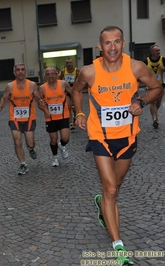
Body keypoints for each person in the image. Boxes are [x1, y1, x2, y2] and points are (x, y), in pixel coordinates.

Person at [72, 26, 163, 265]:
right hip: (99, 137)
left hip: (128, 137)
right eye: (107, 43)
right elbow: (75, 90)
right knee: (111, 188)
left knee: (117, 184)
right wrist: (80, 112)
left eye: (117, 42)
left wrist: (142, 101)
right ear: (100, 46)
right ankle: (118, 246)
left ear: (123, 43)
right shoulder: (89, 72)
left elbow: (157, 88)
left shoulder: (136, 67)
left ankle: (102, 204)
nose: (112, 47)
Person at [0, 63, 41, 175]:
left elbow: (38, 98)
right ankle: (23, 164)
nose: (20, 72)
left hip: (29, 118)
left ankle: (31, 149)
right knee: (17, 142)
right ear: (14, 73)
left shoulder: (32, 85)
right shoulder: (10, 86)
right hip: (15, 118)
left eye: (22, 70)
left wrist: (44, 106)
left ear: (25, 72)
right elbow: (4, 98)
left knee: (30, 143)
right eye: (18, 70)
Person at [38, 67, 72, 167]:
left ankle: (61, 145)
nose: (51, 76)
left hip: (63, 115)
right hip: (50, 118)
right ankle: (55, 157)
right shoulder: (42, 88)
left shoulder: (63, 84)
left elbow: (73, 92)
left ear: (57, 74)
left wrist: (73, 104)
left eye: (53, 74)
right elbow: (39, 103)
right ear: (45, 76)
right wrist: (44, 110)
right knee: (53, 139)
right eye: (48, 74)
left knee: (65, 138)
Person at [144, 44, 165, 129]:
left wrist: (163, 68)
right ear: (152, 52)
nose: (158, 52)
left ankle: (155, 114)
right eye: (156, 51)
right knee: (152, 102)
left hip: (161, 84)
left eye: (159, 50)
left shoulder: (162, 59)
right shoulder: (147, 61)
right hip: (151, 85)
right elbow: (142, 72)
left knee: (158, 103)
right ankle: (155, 120)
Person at [58, 58, 79, 130]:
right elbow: (58, 79)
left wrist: (75, 83)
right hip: (67, 92)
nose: (69, 64)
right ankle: (70, 123)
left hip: (75, 91)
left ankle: (75, 119)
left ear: (73, 63)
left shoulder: (77, 70)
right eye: (67, 63)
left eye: (70, 62)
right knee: (68, 107)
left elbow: (81, 80)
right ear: (65, 64)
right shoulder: (63, 71)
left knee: (75, 108)